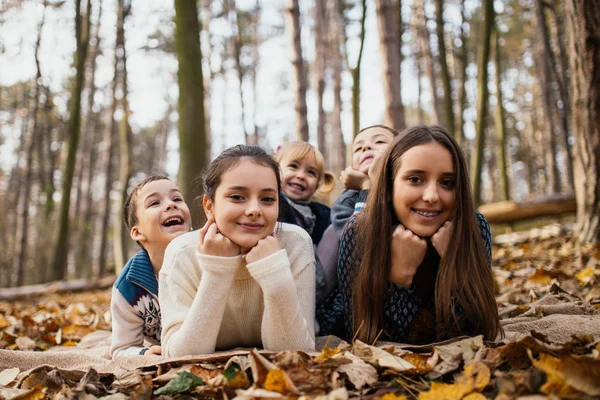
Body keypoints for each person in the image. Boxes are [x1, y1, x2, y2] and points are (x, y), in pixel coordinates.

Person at [319, 125, 500, 344]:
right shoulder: (359, 232)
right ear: (389, 183)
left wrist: (454, 265)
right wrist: (399, 278)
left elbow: (475, 333)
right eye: (415, 179)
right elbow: (364, 337)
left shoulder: (472, 228)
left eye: (447, 182)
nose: (432, 196)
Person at [159, 145, 316, 357]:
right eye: (237, 197)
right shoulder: (181, 253)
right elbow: (181, 355)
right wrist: (217, 270)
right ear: (209, 206)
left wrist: (274, 272)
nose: (254, 210)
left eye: (267, 199)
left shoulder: (295, 244)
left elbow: (298, 352)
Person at [110, 175, 192, 358]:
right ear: (138, 232)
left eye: (177, 198)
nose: (171, 205)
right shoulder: (128, 289)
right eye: (155, 203)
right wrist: (144, 353)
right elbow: (122, 348)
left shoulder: (210, 256)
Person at [274, 141, 335, 306]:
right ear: (275, 170)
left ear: (316, 185)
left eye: (310, 172)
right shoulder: (272, 205)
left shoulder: (322, 214)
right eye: (293, 166)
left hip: (311, 282)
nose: (301, 175)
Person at [330, 125, 399, 237]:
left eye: (379, 141)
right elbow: (354, 241)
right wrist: (366, 186)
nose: (366, 147)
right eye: (358, 148)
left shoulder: (409, 187)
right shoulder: (345, 201)